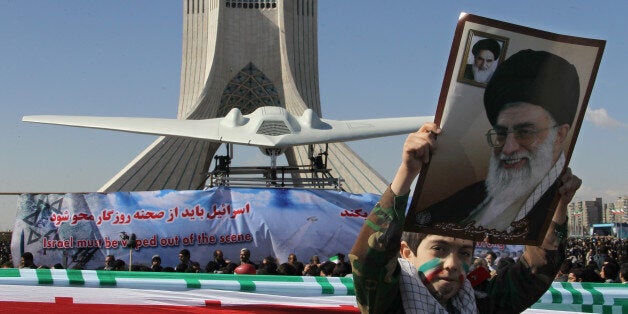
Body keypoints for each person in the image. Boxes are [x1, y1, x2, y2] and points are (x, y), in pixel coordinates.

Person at [350, 122, 581, 313]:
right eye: (439, 249)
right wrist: (407, 172)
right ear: (407, 252)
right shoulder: (387, 302)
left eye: (464, 253)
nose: (452, 264)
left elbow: (535, 271)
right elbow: (369, 260)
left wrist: (558, 204)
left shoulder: (478, 303)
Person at [419, 50, 581, 241]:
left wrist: (560, 206)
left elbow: (544, 262)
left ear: (559, 134)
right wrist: (408, 171)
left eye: (525, 132)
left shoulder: (553, 203)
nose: (508, 148)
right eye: (501, 134)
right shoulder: (474, 196)